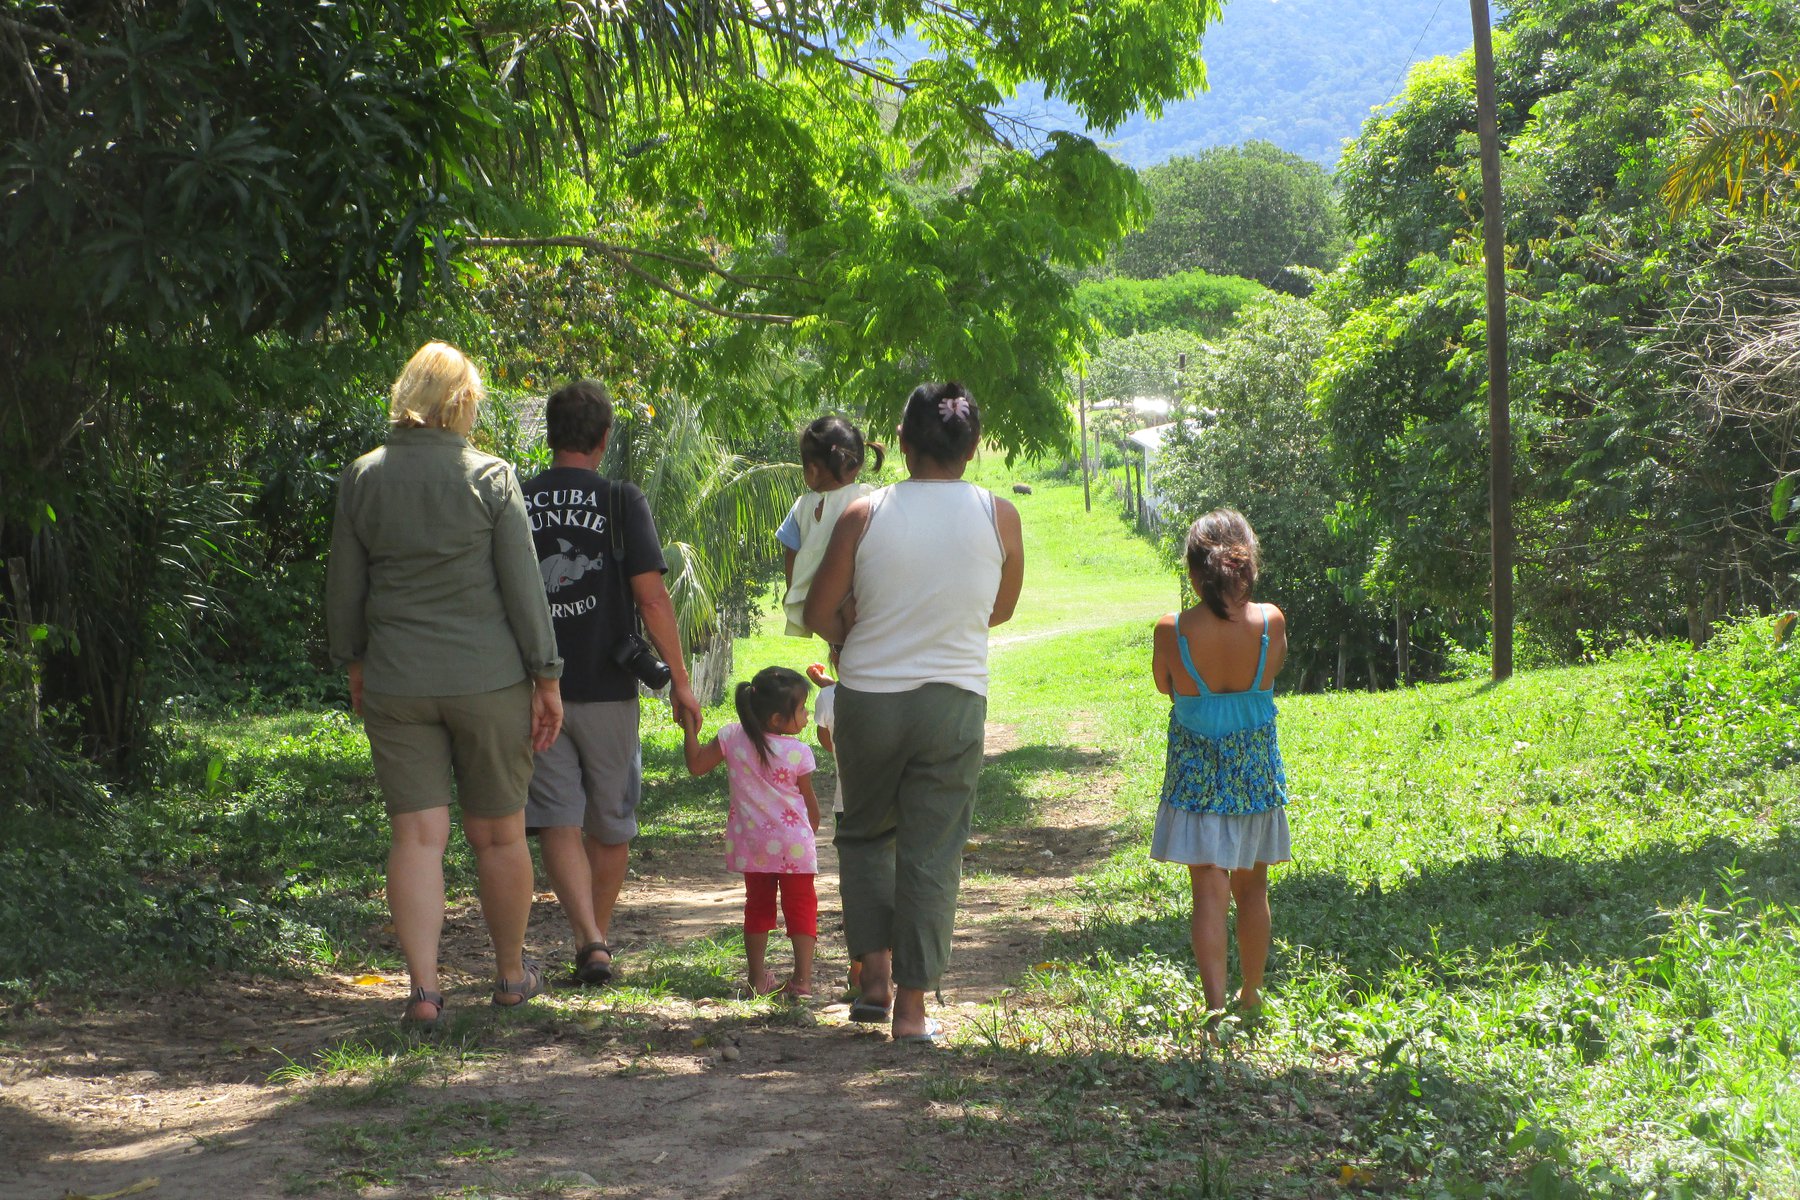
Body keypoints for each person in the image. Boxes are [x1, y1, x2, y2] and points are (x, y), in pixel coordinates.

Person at [326, 341, 564, 1029]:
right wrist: (545, 676)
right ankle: (512, 976)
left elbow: (345, 586)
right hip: (488, 681)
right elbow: (524, 588)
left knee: (417, 838)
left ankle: (426, 992)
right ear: (462, 402)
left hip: (398, 678)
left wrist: (356, 661)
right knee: (498, 834)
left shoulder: (363, 476)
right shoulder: (489, 477)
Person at [805, 382, 1025, 1044]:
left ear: (901, 443)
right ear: (974, 447)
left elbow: (818, 613)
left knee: (867, 833)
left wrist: (852, 619)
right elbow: (1002, 608)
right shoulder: (1000, 515)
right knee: (933, 850)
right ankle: (913, 1011)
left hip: (869, 699)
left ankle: (872, 978)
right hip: (954, 701)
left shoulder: (864, 514)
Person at [522, 380, 703, 986]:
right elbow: (652, 599)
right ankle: (594, 939)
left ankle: (590, 940)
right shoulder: (621, 500)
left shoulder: (517, 499)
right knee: (611, 819)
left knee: (556, 820)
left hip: (535, 689)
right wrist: (680, 681)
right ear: (604, 439)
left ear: (550, 436)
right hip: (608, 688)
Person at [1148, 509, 1290, 1015]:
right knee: (1254, 892)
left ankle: (1213, 1009)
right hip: (1254, 780)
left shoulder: (1173, 629)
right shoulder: (1271, 622)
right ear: (1249, 567)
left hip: (1197, 783)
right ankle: (1250, 994)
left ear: (1193, 573)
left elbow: (1166, 685)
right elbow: (1271, 673)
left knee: (1208, 894)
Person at [682, 667, 821, 998]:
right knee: (801, 907)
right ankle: (802, 981)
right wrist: (810, 834)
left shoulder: (731, 737)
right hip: (795, 847)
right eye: (801, 709)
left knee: (757, 907)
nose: (805, 716)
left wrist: (688, 726)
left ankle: (757, 979)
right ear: (776, 719)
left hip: (753, 845)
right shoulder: (798, 752)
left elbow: (696, 765)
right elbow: (810, 804)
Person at [776, 416, 884, 638]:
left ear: (813, 469)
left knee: (838, 644)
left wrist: (793, 590)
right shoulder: (868, 497)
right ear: (858, 464)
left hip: (816, 600)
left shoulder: (802, 507)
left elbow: (791, 552)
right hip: (857, 593)